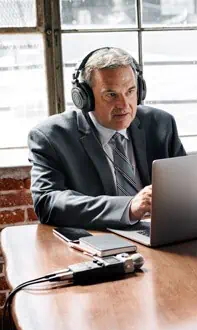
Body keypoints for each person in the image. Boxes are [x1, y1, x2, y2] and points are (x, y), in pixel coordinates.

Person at [28, 47, 186, 229]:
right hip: (98, 239)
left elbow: (185, 184)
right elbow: (47, 202)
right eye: (111, 95)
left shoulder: (160, 123)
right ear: (84, 98)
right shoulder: (51, 136)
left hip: (158, 232)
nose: (124, 105)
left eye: (130, 91)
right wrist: (129, 207)